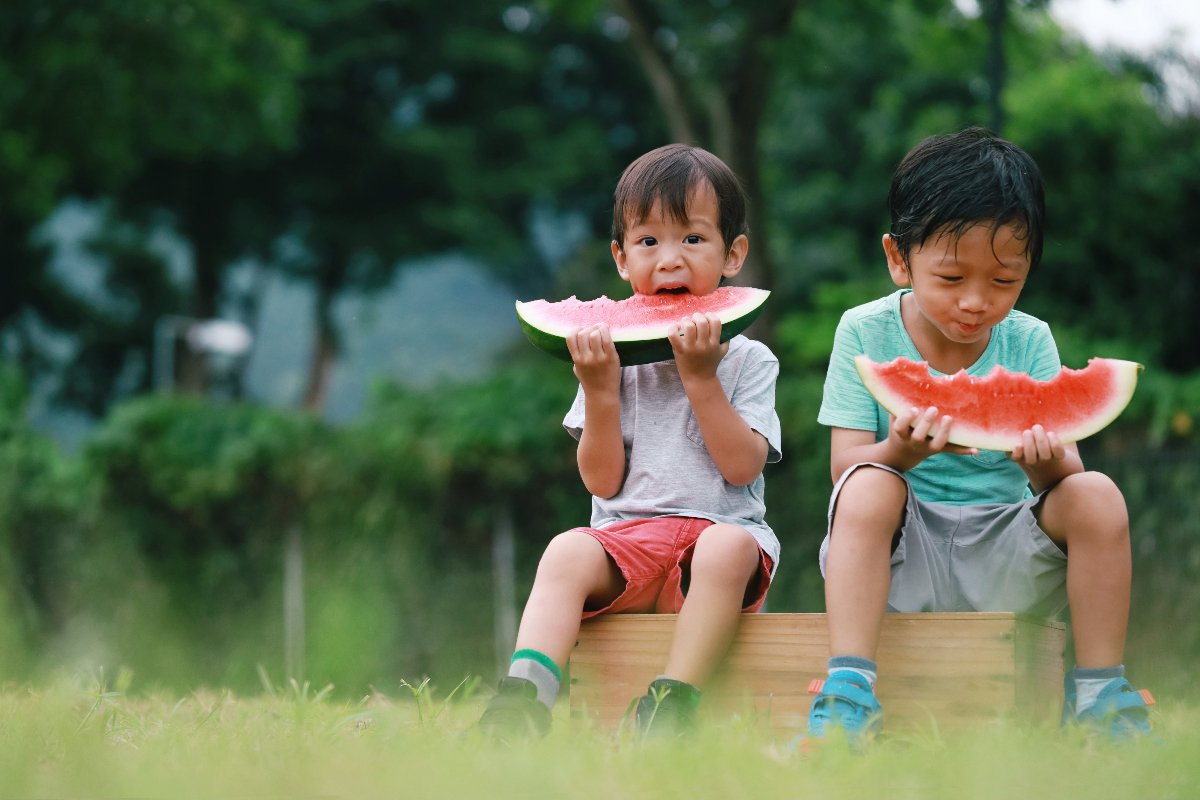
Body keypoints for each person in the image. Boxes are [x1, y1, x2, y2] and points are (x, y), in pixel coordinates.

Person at [808, 127, 1153, 746]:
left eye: (1003, 282)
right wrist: (900, 453)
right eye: (950, 277)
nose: (975, 302)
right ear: (898, 258)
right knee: (867, 485)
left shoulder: (1030, 339)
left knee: (1097, 493)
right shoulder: (862, 330)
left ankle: (1101, 695)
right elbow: (844, 466)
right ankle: (849, 690)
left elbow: (1064, 475)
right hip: (899, 558)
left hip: (1005, 550)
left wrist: (1046, 468)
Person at [478, 143, 782, 741]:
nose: (669, 260)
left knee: (727, 548)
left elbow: (742, 466)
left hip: (717, 541)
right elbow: (600, 482)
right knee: (565, 549)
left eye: (693, 239)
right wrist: (600, 391)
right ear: (621, 259)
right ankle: (523, 699)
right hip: (625, 545)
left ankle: (673, 702)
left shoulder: (749, 358)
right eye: (648, 242)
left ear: (733, 255)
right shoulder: (609, 361)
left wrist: (700, 378)